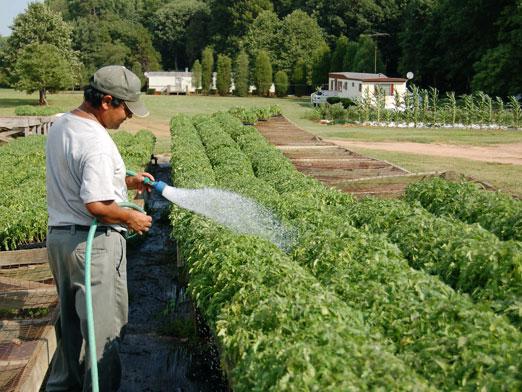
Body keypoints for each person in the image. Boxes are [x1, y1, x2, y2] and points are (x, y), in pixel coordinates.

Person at [45, 65, 153, 391]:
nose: (129, 117)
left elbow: (81, 179)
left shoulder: (63, 123)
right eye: (126, 109)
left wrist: (127, 181)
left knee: (72, 333)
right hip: (92, 248)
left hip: (61, 240)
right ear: (107, 101)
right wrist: (130, 217)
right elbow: (96, 206)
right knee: (102, 338)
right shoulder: (98, 142)